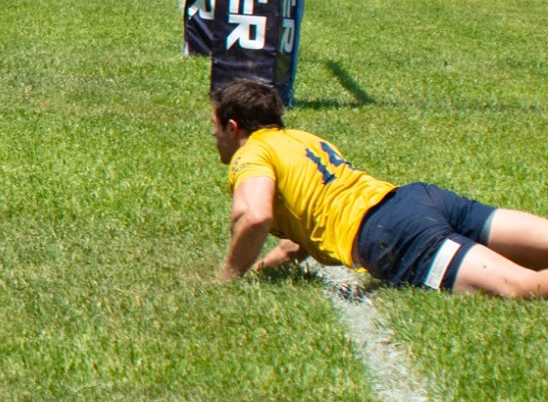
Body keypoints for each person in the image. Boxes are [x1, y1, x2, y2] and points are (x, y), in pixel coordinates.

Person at [213, 78, 548, 299]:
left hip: (391, 233)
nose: (213, 136)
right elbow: (299, 238)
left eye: (214, 127)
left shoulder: (251, 152)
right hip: (416, 199)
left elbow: (255, 216)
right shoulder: (302, 140)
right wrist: (261, 269)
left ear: (233, 127)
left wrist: (227, 279)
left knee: (521, 287)